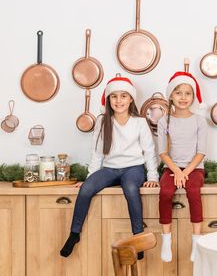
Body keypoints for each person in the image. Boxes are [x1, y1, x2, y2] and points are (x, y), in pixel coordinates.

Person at [60, 75, 159, 258]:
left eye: (123, 96)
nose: (119, 100)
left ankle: (138, 236)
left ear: (130, 99)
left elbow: (149, 151)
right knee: (87, 188)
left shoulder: (139, 122)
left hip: (133, 168)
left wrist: (152, 177)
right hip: (110, 169)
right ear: (108, 100)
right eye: (114, 96)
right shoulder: (102, 121)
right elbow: (97, 152)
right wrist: (90, 177)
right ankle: (74, 234)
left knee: (130, 188)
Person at [157, 70, 207, 262]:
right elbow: (162, 152)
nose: (183, 97)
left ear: (193, 96)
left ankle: (196, 241)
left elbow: (201, 151)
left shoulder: (199, 120)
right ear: (171, 95)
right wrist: (176, 171)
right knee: (165, 193)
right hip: (172, 168)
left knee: (193, 191)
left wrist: (185, 172)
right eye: (178, 93)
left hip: (194, 168)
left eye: (188, 93)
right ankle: (166, 239)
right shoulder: (164, 121)